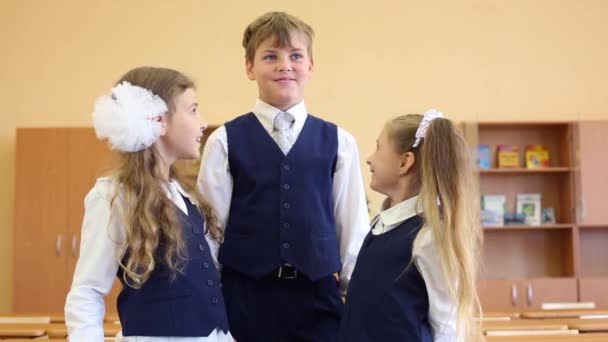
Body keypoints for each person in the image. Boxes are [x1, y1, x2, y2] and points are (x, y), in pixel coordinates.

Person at [197, 11, 369, 342]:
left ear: (311, 66)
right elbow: (211, 229)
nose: (284, 65)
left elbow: (351, 223)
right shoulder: (224, 141)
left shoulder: (340, 142)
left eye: (295, 56)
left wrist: (354, 293)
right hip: (245, 297)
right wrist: (211, 295)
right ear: (250, 67)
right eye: (270, 56)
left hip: (318, 297)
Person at [65, 66, 232, 342]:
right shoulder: (114, 197)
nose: (203, 122)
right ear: (159, 119)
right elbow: (87, 292)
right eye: (193, 110)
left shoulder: (185, 196)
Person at [339, 110, 483, 342]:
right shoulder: (381, 224)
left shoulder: (428, 236)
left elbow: (447, 326)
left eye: (378, 147)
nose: (369, 159)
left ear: (405, 162)